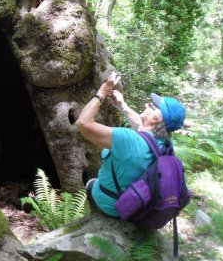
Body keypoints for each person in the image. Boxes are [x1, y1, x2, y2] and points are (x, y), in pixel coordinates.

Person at [76, 72, 187, 217]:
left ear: (155, 119)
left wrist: (101, 92)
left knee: (91, 184)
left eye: (152, 106)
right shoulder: (166, 143)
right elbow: (141, 126)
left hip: (114, 207)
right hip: (140, 205)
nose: (147, 105)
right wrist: (122, 105)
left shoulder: (127, 139)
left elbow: (83, 123)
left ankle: (97, 219)